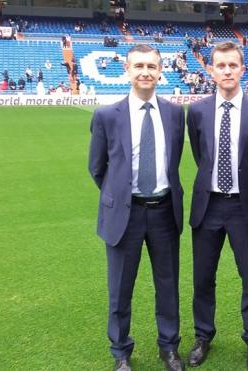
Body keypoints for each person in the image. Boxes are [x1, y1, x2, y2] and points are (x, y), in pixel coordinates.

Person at [88, 44, 186, 371]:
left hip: (163, 212)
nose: (145, 72)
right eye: (139, 66)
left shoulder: (174, 113)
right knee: (120, 290)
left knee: (168, 285)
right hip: (124, 215)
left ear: (161, 72)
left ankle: (169, 347)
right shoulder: (106, 116)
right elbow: (97, 167)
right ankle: (121, 353)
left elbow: (174, 162)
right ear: (127, 71)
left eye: (151, 66)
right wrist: (119, 196)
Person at [185, 41, 248, 371]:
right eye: (220, 66)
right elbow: (200, 155)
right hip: (207, 206)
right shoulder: (197, 110)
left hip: (244, 207)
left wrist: (242, 180)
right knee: (203, 278)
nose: (226, 71)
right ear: (211, 70)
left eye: (232, 65)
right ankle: (202, 336)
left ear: (241, 68)